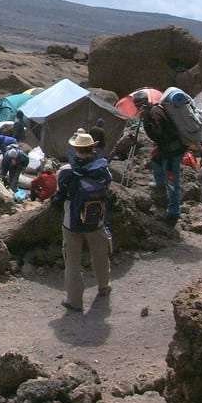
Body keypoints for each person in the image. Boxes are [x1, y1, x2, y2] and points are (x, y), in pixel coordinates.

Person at [52, 131, 113, 311]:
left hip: (71, 222)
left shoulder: (66, 171)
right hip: (96, 219)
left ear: (76, 149)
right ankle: (104, 286)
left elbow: (60, 195)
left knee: (72, 261)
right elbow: (107, 188)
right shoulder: (102, 168)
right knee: (100, 254)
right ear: (92, 148)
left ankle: (74, 300)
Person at [134, 90, 185, 225]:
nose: (138, 108)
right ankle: (160, 184)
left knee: (172, 182)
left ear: (143, 104)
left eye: (138, 105)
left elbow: (158, 133)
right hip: (167, 147)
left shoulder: (154, 113)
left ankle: (173, 213)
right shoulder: (156, 110)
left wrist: (146, 121)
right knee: (155, 161)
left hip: (172, 151)